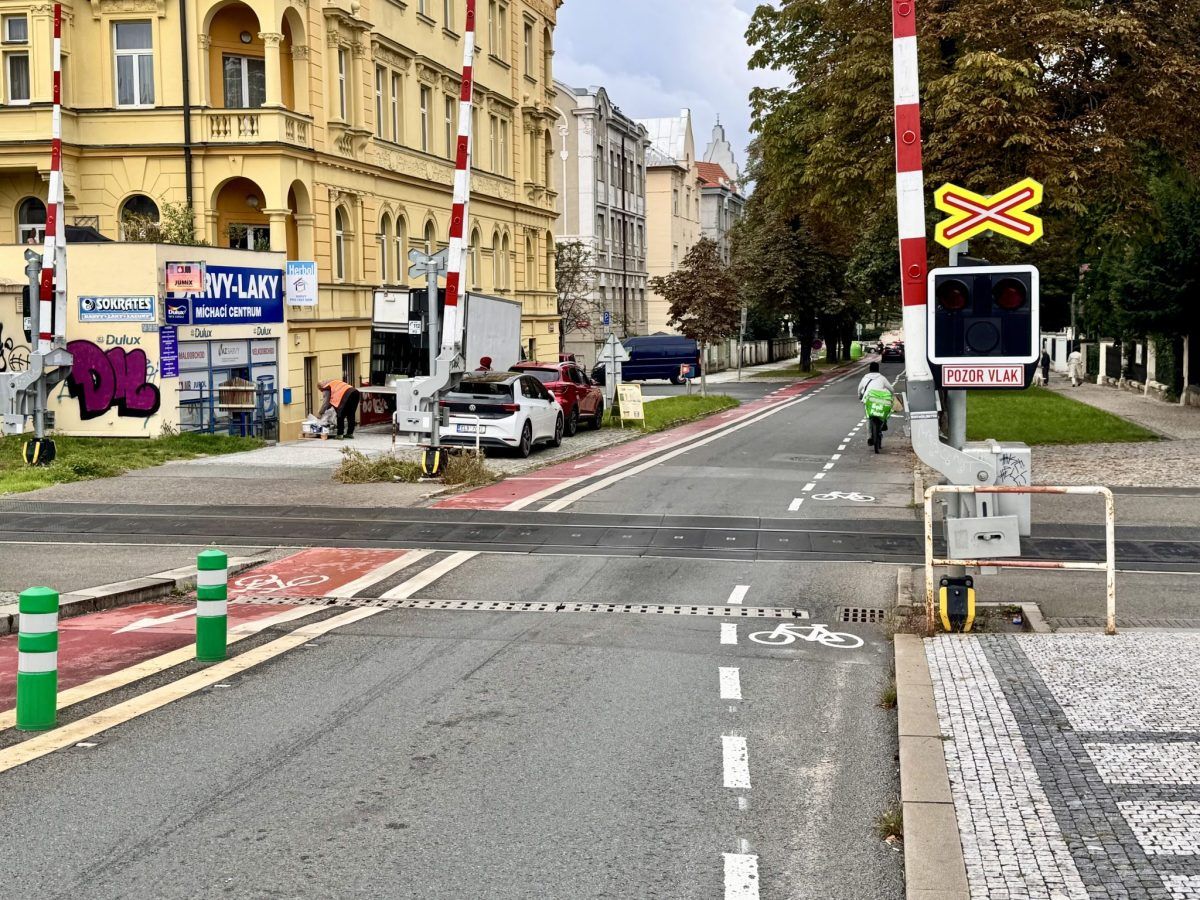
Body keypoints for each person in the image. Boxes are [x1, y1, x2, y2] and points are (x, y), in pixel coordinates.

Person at [857, 362, 894, 446]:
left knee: (869, 418)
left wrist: (860, 396)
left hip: (869, 399)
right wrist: (892, 396)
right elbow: (891, 389)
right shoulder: (882, 378)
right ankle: (884, 422)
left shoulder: (865, 378)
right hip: (881, 400)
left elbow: (859, 389)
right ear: (878, 369)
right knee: (885, 410)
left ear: (869, 369)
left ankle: (869, 437)